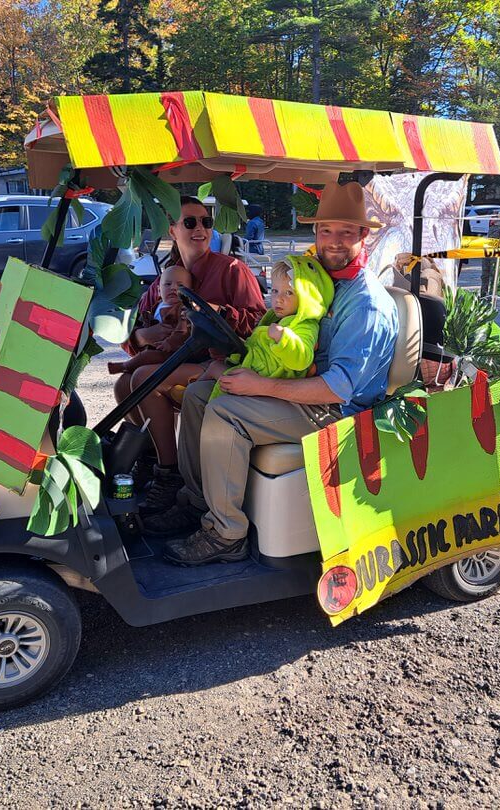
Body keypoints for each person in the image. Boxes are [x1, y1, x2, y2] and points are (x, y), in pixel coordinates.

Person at [144, 181, 399, 566]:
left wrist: (261, 385)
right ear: (316, 232)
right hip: (307, 393)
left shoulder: (365, 304)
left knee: (226, 413)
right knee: (199, 395)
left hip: (340, 414)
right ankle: (198, 502)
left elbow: (339, 388)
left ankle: (226, 534)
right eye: (326, 230)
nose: (334, 241)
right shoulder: (319, 282)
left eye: (346, 232)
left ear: (364, 235)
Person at [112, 197, 266, 512]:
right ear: (172, 230)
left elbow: (258, 323)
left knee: (145, 378)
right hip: (182, 363)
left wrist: (221, 312)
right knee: (124, 384)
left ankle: (170, 474)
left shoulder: (231, 270)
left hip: (222, 366)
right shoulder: (167, 279)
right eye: (190, 222)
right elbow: (133, 333)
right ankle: (151, 457)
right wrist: (142, 336)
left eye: (206, 222)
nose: (200, 229)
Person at [209, 254, 334, 398]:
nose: (279, 299)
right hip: (254, 369)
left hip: (268, 380)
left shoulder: (304, 325)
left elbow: (301, 360)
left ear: (307, 298)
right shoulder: (275, 318)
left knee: (214, 371)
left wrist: (283, 339)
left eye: (289, 293)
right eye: (275, 291)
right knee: (201, 384)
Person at [108, 264, 191, 375]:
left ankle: (125, 366)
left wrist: (169, 343)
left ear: (190, 292)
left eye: (180, 285)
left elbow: (182, 331)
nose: (173, 288)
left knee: (146, 358)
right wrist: (141, 333)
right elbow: (138, 322)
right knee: (131, 374)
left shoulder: (182, 309)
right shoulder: (156, 305)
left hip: (171, 352)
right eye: (167, 284)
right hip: (153, 347)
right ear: (159, 289)